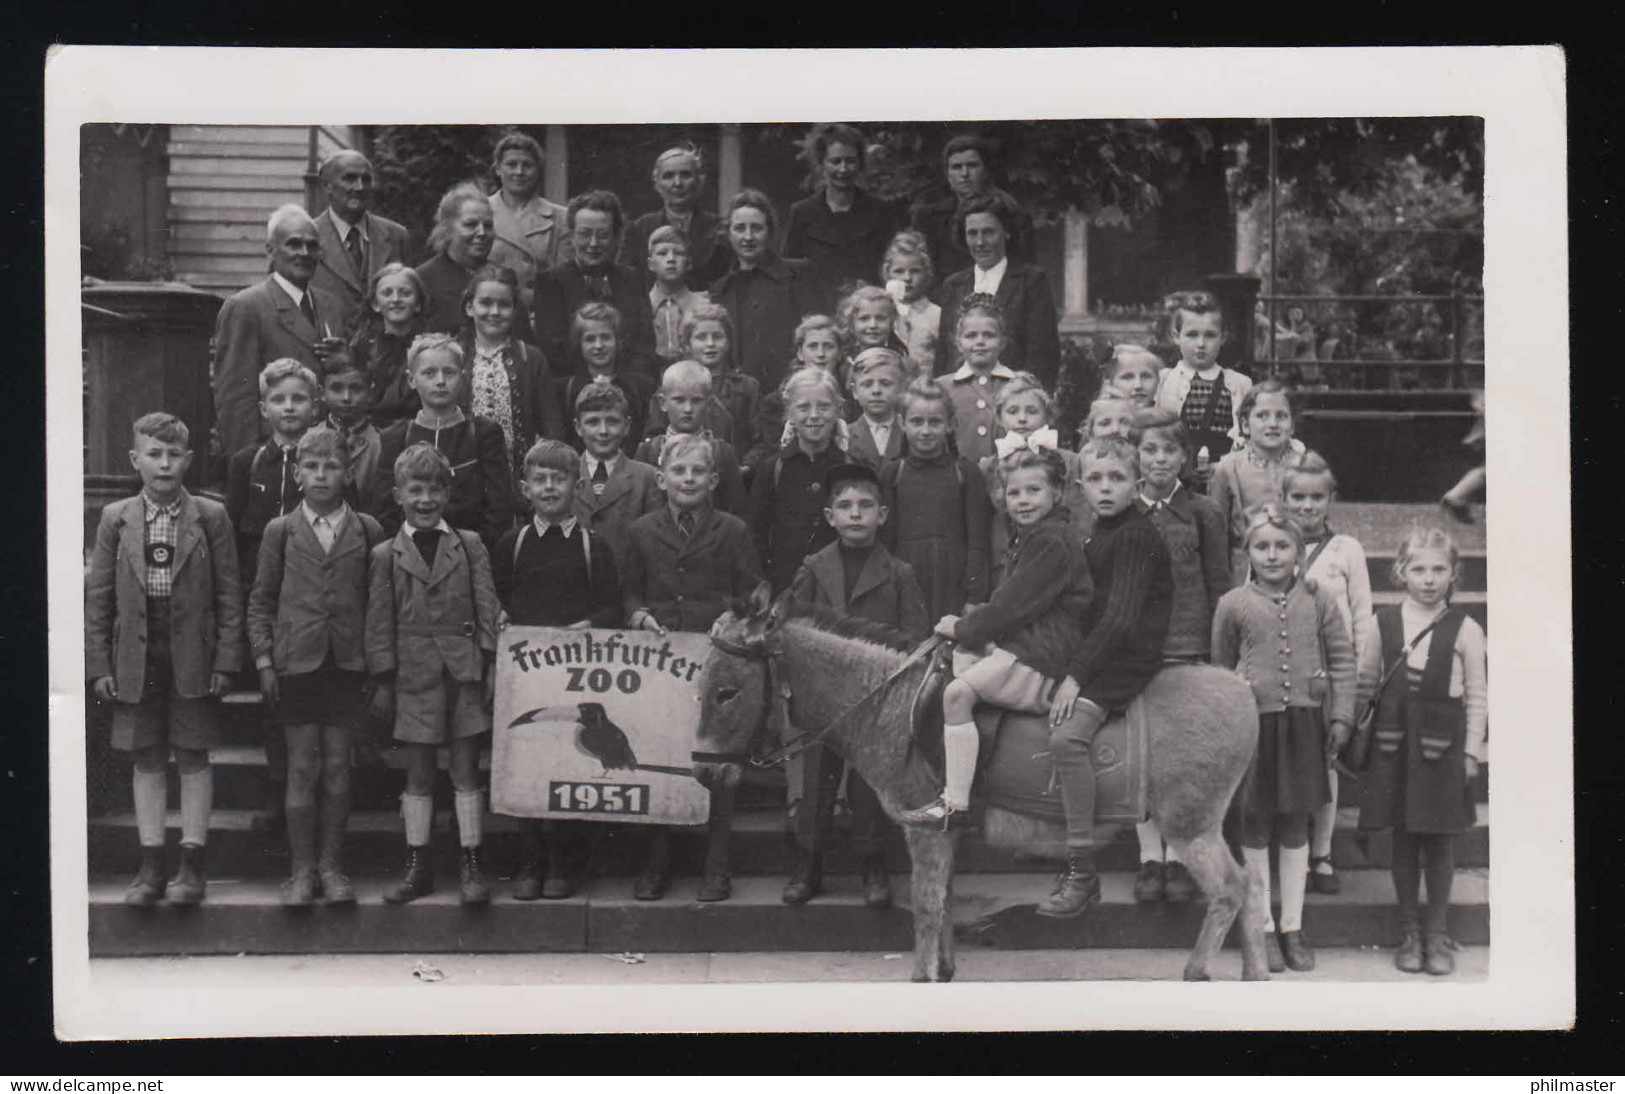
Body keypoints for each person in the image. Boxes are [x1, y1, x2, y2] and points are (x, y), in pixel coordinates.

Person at [86, 412, 244, 905]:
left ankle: (191, 862)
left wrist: (225, 659)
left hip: (192, 653)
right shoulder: (116, 518)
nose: (164, 463)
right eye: (154, 454)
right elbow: (100, 599)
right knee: (147, 755)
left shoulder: (210, 517)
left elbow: (229, 595)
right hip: (136, 653)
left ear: (189, 461)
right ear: (135, 461)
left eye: (174, 454)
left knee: (194, 753)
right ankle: (151, 861)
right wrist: (100, 665)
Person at [899, 446, 1093, 828]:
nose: (1022, 501)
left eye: (1033, 491)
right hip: (1030, 640)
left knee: (956, 695)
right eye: (1014, 492)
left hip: (1043, 652)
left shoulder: (1050, 541)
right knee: (956, 663)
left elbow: (1011, 606)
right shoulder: (1033, 536)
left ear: (1057, 493)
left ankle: (955, 803)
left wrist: (962, 627)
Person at [1212, 503, 1356, 972]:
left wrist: (1341, 716)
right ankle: (1262, 926)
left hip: (1304, 725)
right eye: (1262, 546)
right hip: (1255, 727)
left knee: (1296, 824)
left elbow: (1342, 660)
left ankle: (1292, 926)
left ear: (1299, 550)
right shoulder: (1232, 604)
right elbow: (1221, 670)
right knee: (1254, 824)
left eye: (1282, 546)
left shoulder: (1319, 599)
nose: (1272, 555)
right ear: (1248, 552)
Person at [621, 433, 764, 901]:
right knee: (663, 757)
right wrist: (639, 615)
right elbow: (629, 591)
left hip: (713, 661)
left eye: (698, 472)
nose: (688, 480)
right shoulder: (641, 530)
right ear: (661, 479)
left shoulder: (734, 530)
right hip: (661, 661)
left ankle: (716, 864)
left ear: (714, 480)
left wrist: (733, 614)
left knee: (718, 764)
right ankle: (657, 860)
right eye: (679, 472)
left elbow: (752, 593)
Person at [246, 424, 383, 906]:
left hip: (348, 663)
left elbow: (378, 602)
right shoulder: (280, 531)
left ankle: (332, 867)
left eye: (332, 467)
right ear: (298, 473)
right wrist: (265, 660)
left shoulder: (367, 529)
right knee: (302, 769)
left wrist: (376, 667)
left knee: (338, 772)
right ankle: (301, 870)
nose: (322, 475)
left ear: (347, 473)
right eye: (312, 466)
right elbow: (260, 601)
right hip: (297, 664)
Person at [1039, 436, 1174, 918]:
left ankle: (1082, 868)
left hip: (1125, 661)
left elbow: (1120, 618)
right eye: (1095, 479)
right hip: (1099, 651)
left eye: (1117, 478)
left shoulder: (1136, 534)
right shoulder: (1100, 530)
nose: (1105, 487)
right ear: (1079, 487)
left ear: (1138, 485)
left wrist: (1076, 676)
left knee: (1067, 739)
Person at [785, 462, 928, 907]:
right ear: (830, 517)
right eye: (845, 506)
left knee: (870, 788)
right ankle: (809, 865)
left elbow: (916, 641)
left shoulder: (899, 572)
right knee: (817, 785)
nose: (855, 514)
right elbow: (794, 631)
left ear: (882, 515)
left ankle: (872, 865)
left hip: (875, 703)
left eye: (866, 506)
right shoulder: (813, 568)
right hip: (825, 703)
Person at [364, 443, 501, 905]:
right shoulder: (386, 553)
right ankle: (418, 863)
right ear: (398, 493)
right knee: (418, 773)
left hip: (462, 673)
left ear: (448, 493)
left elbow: (487, 607)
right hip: (412, 675)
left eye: (435, 490)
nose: (425, 500)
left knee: (465, 769)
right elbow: (378, 621)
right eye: (415, 490)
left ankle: (472, 862)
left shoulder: (470, 545)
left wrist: (489, 662)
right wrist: (383, 678)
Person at [492, 440, 623, 901]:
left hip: (576, 677)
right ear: (525, 488)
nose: (550, 488)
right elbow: (500, 600)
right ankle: (530, 857)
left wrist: (585, 627)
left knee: (571, 763)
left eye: (560, 479)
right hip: (528, 678)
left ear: (578, 486)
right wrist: (503, 618)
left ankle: (563, 859)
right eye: (540, 480)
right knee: (529, 761)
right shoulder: (513, 543)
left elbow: (612, 607)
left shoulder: (593, 547)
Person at [1358, 525, 1488, 977]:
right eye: (1419, 569)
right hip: (1394, 748)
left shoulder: (1468, 629)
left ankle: (1437, 933)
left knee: (1439, 844)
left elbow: (1477, 696)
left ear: (1454, 574)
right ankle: (1409, 930)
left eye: (1439, 569)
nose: (1429, 579)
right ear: (1400, 572)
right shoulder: (1383, 622)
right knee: (1404, 841)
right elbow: (1366, 683)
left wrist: (1471, 752)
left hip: (1443, 751)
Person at [1127, 407, 1232, 903]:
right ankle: (1150, 856)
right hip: (1137, 652)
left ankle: (1180, 854)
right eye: (1149, 450)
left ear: (1185, 456)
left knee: (1181, 758)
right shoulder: (1122, 509)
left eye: (1170, 450)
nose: (1159, 459)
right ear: (1135, 455)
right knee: (1143, 754)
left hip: (1189, 647)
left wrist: (1218, 653)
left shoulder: (1204, 511)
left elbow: (1220, 586)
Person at [1285, 451, 1380, 897]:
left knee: (1326, 763)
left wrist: (1360, 680)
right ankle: (1292, 850)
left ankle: (1321, 853)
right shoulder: (1272, 544)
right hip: (1286, 674)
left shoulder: (1347, 550)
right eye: (1298, 497)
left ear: (1331, 499)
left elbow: (1362, 615)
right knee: (1288, 763)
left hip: (1333, 675)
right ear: (1284, 499)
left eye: (1316, 498)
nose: (1307, 506)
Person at [212, 205, 346, 464]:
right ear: (271, 251)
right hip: (274, 455)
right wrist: (251, 462)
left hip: (325, 456)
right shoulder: (246, 306)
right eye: (293, 245)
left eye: (312, 246)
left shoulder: (331, 305)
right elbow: (235, 400)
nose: (304, 253)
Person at [370, 334, 515, 547]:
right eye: (429, 373)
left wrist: (469, 551)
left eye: (449, 372)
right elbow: (386, 509)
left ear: (463, 377)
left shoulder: (483, 433)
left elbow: (499, 507)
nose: (440, 381)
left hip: (471, 552)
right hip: (410, 554)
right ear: (411, 379)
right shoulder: (396, 437)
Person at [878, 377, 992, 622]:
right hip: (906, 578)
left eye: (935, 422)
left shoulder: (965, 473)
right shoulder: (892, 473)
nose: (926, 431)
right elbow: (885, 542)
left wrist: (974, 597)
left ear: (950, 425)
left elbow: (978, 541)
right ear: (902, 423)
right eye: (917, 422)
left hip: (953, 580)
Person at [931, 190, 1059, 389]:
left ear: (1006, 232)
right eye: (972, 234)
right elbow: (944, 356)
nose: (980, 242)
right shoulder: (953, 285)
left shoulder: (1031, 281)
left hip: (1015, 402)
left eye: (988, 232)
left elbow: (1042, 356)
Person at [710, 189, 832, 394]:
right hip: (741, 402)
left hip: (793, 393)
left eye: (756, 228)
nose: (748, 237)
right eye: (740, 228)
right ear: (728, 233)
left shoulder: (798, 274)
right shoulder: (720, 290)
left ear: (769, 231)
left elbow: (819, 335)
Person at [532, 190, 656, 381]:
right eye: (584, 234)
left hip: (628, 388)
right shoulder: (551, 283)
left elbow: (644, 346)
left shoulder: (632, 280)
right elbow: (554, 352)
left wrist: (622, 385)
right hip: (571, 390)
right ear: (572, 236)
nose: (593, 243)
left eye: (603, 235)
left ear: (616, 237)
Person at [981, 373, 1089, 586]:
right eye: (1013, 411)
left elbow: (1078, 517)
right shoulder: (988, 466)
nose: (1022, 419)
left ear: (1047, 417)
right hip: (1004, 563)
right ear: (1000, 418)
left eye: (1032, 411)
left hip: (1056, 560)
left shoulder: (1070, 461)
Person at [457, 264, 565, 473]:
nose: (494, 312)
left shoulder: (531, 358)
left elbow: (551, 423)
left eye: (504, 304)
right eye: (486, 303)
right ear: (470, 307)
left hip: (518, 472)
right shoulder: (455, 356)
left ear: (515, 310)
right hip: (466, 473)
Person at [748, 367, 846, 594]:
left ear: (838, 411)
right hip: (785, 586)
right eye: (803, 407)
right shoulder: (773, 468)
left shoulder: (849, 466)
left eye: (823, 406)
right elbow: (757, 533)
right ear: (789, 413)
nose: (814, 415)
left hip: (837, 588)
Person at [225, 359, 320, 587]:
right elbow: (232, 533)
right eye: (278, 399)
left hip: (310, 580)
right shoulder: (247, 462)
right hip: (257, 582)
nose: (288, 407)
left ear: (314, 407)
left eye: (298, 399)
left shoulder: (326, 461)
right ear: (264, 409)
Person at [784, 124, 901, 297]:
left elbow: (893, 269)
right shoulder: (802, 213)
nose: (843, 169)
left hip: (868, 312)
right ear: (822, 164)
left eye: (850, 161)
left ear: (860, 164)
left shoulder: (881, 212)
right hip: (818, 312)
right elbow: (789, 271)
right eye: (835, 161)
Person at [1209, 380, 1307, 584]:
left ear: (1293, 425)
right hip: (1245, 570)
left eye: (1281, 416)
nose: (1272, 424)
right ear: (1245, 424)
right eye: (1262, 416)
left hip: (1297, 564)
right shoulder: (1228, 468)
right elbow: (1217, 533)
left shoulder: (1304, 464)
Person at [415, 182, 537, 345]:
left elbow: (525, 345)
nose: (481, 233)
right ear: (447, 229)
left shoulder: (503, 278)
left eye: (488, 226)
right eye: (470, 225)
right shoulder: (422, 281)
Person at [1154, 291, 1254, 482]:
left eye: (1209, 335)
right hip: (1173, 476)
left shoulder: (1240, 384)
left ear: (1222, 338)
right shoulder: (1163, 380)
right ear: (1176, 336)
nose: (1200, 344)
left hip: (1223, 475)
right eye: (1192, 335)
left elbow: (1247, 436)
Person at [645, 303, 760, 466]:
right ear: (686, 344)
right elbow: (655, 438)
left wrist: (745, 467)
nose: (710, 344)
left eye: (717, 336)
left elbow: (760, 441)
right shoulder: (669, 387)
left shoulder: (746, 388)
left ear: (728, 342)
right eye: (701, 337)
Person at [909, 135, 1036, 282]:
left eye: (972, 165)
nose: (964, 174)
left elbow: (1025, 273)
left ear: (986, 170)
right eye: (957, 167)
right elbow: (923, 271)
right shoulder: (928, 218)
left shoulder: (1012, 214)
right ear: (948, 175)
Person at [310, 149, 411, 333]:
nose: (359, 187)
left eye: (366, 179)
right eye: (349, 178)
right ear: (327, 186)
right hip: (327, 352)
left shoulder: (396, 235)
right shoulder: (306, 237)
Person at [569, 381, 664, 575]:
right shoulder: (565, 475)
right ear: (578, 427)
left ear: (627, 425)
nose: (603, 431)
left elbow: (654, 545)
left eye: (612, 421)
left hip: (627, 590)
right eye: (593, 422)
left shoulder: (647, 478)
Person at [635, 360, 748, 516]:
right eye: (679, 400)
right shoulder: (649, 451)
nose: (687, 409)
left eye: (696, 401)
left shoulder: (721, 452)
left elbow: (735, 509)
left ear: (708, 404)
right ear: (663, 403)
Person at [619, 144, 728, 291]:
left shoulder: (718, 228)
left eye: (685, 175)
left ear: (699, 181)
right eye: (668, 176)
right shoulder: (639, 229)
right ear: (657, 184)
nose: (677, 183)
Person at [554, 302, 657, 458]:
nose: (598, 345)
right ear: (579, 344)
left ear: (618, 340)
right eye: (590, 339)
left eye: (606, 337)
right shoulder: (564, 390)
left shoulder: (640, 388)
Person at [748, 313, 846, 472]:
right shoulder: (776, 402)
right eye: (813, 346)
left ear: (839, 353)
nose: (820, 354)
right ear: (800, 353)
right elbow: (774, 452)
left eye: (828, 346)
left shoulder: (852, 396)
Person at [485, 131, 573, 310]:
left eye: (527, 165)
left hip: (540, 312)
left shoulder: (560, 217)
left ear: (538, 169)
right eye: (511, 164)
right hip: (491, 310)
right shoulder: (480, 212)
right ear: (498, 169)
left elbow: (564, 276)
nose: (519, 172)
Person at [345, 262, 428, 426]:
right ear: (375, 304)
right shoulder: (362, 346)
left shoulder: (427, 348)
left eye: (405, 293)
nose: (396, 299)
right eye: (387, 293)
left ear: (418, 304)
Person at [942, 295, 1016, 462]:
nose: (980, 342)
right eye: (971, 336)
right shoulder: (943, 387)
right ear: (959, 343)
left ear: (1002, 342)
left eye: (989, 335)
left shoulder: (1017, 384)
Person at [315, 350, 384, 517]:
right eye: (337, 389)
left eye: (356, 389)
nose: (346, 398)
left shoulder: (381, 445)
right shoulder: (309, 441)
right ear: (322, 393)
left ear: (370, 393)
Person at [647, 225, 709, 368]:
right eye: (662, 253)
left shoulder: (704, 305)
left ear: (688, 263)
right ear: (650, 264)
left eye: (678, 253)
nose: (671, 259)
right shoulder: (643, 306)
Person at [882, 230, 941, 376]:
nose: (907, 278)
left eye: (915, 271)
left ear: (926, 273)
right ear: (888, 273)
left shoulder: (936, 314)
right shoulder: (882, 312)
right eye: (899, 271)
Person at [834, 284, 908, 390]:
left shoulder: (903, 362)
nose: (873, 325)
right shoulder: (842, 363)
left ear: (892, 322)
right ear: (851, 324)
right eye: (864, 319)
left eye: (880, 318)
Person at [845, 346, 908, 470]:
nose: (876, 391)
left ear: (900, 388)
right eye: (867, 384)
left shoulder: (909, 433)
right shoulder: (845, 435)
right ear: (855, 391)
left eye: (885, 383)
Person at [1106, 344, 1165, 410]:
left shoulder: (1169, 418)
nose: (1138, 385)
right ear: (1111, 382)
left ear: (1158, 380)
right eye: (1127, 377)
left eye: (1146, 377)